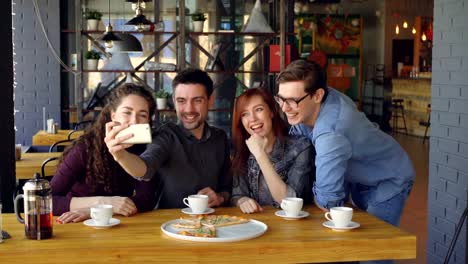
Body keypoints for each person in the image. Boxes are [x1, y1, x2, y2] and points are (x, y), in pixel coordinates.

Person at [276, 60, 415, 228]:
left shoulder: (331, 133)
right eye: (281, 99)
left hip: (387, 179)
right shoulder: (314, 103)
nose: (284, 108)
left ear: (317, 95)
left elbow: (327, 201)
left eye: (292, 101)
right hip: (357, 176)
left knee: (373, 248)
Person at [104, 68, 231, 209]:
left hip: (214, 221)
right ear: (174, 101)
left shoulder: (220, 137)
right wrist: (120, 155)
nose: (189, 109)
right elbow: (145, 169)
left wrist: (220, 197)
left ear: (210, 100)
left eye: (197, 100)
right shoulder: (166, 135)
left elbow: (227, 187)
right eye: (181, 101)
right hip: (171, 224)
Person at [51, 83, 158, 223]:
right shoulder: (86, 148)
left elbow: (146, 200)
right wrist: (103, 203)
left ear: (148, 121)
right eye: (127, 112)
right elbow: (46, 201)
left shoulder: (146, 150)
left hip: (119, 227)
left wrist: (96, 211)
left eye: (142, 115)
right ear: (113, 116)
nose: (134, 121)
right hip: (77, 226)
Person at [230, 88, 314, 214]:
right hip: (257, 224)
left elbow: (289, 201)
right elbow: (237, 195)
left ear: (271, 112)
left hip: (295, 227)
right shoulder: (242, 150)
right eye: (245, 114)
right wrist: (242, 201)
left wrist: (260, 155)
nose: (252, 118)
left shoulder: (300, 147)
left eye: (259, 109)